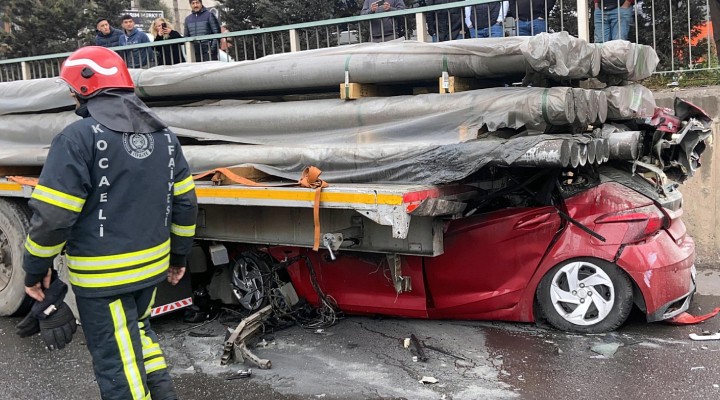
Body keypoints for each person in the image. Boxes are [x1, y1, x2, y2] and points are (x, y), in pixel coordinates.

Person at [21, 45, 198, 400]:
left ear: (85, 88)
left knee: (117, 361)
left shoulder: (78, 137)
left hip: (104, 279)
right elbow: (185, 203)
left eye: (72, 89)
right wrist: (178, 257)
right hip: (151, 268)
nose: (71, 96)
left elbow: (55, 216)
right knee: (141, 338)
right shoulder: (165, 137)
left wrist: (34, 268)